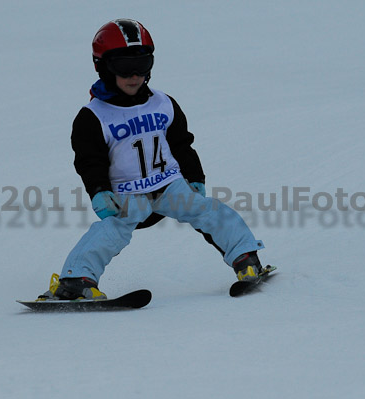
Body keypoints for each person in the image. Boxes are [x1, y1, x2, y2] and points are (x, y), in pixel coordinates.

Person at [40, 18, 266, 300]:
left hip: (170, 186)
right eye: (124, 67)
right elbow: (90, 160)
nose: (135, 75)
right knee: (111, 230)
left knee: (209, 211)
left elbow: (182, 144)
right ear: (103, 67)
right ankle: (75, 282)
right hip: (127, 193)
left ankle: (245, 258)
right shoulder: (94, 116)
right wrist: (99, 191)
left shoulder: (163, 103)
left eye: (143, 65)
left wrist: (195, 178)